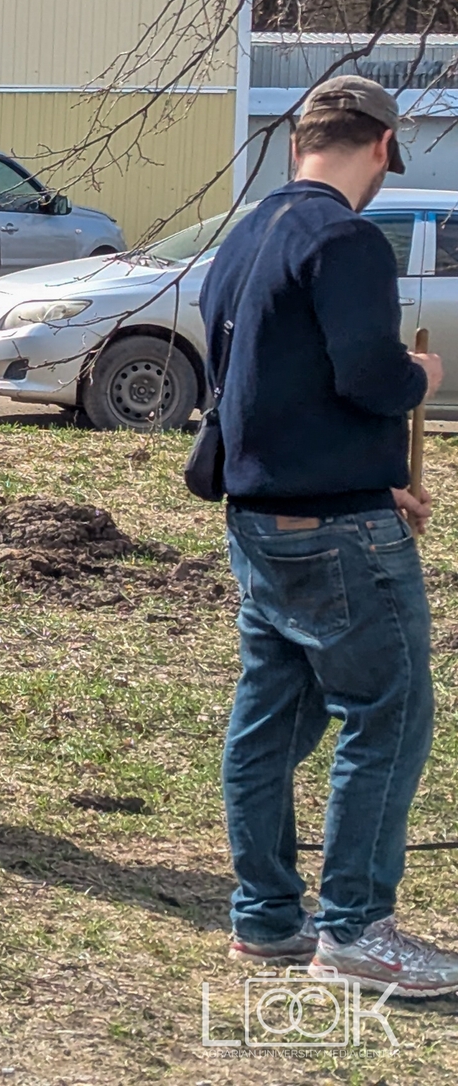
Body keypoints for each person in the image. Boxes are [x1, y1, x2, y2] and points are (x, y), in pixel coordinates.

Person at [205, 74, 456, 994]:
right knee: (390, 714)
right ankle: (355, 930)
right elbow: (367, 376)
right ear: (383, 147)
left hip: (261, 519)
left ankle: (267, 917)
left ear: (296, 142)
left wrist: (372, 473)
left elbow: (267, 387)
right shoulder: (348, 240)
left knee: (269, 720)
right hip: (338, 535)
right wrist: (421, 378)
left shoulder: (249, 234)